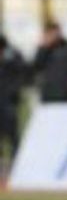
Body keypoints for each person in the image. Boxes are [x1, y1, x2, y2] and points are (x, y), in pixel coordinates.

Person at [32, 21, 67, 102]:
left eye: (54, 32)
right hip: (49, 94)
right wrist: (44, 48)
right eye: (49, 33)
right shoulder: (43, 49)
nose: (53, 36)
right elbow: (36, 67)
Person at [0, 32, 27, 167]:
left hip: (9, 102)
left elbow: (23, 75)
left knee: (12, 134)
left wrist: (13, 91)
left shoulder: (14, 55)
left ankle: (17, 162)